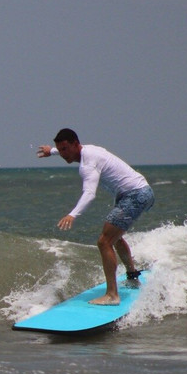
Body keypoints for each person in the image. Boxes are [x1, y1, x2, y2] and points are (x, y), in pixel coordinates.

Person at [37, 128, 154, 305]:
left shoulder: (88, 164)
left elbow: (90, 193)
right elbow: (65, 151)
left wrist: (73, 214)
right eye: (59, 150)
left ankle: (112, 295)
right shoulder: (87, 150)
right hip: (138, 192)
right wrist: (50, 151)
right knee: (114, 238)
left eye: (65, 149)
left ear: (76, 144)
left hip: (135, 195)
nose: (62, 154)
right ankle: (132, 275)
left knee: (104, 242)